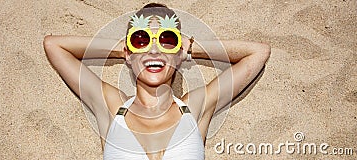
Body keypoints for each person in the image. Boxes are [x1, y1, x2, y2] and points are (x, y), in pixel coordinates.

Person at [43, 3, 270, 160]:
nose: (153, 50)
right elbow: (55, 46)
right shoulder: (111, 107)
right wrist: (126, 51)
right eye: (141, 39)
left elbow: (257, 53)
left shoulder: (195, 107)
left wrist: (188, 49)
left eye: (167, 40)